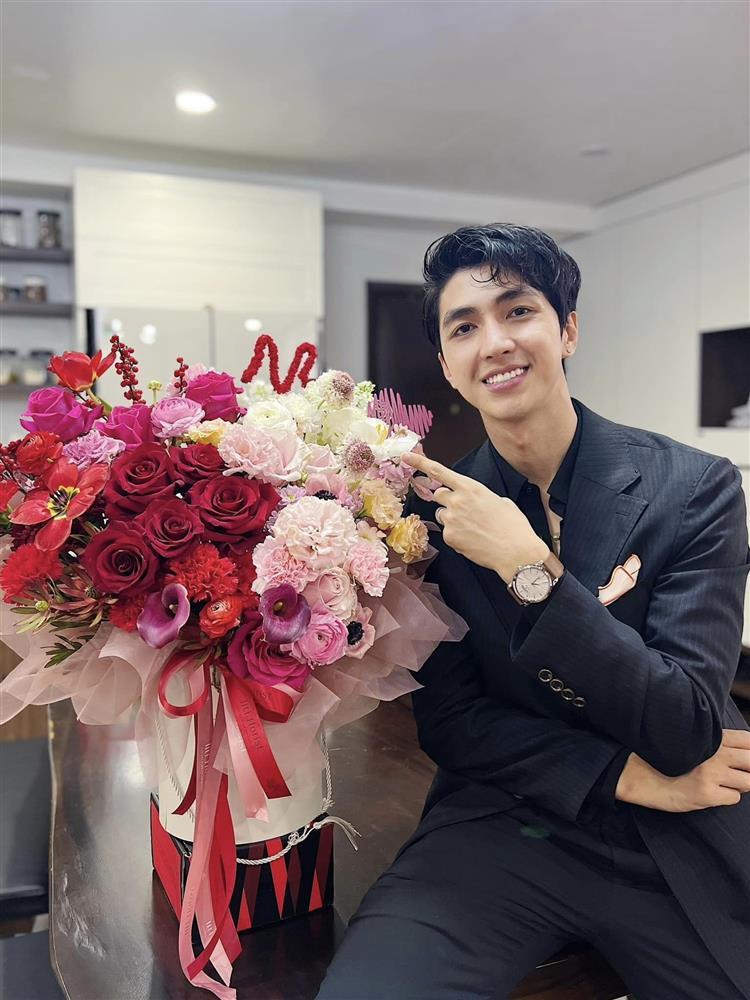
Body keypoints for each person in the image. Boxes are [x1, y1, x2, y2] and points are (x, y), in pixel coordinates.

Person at [316, 224, 750, 1000]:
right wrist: (617, 773)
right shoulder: (422, 522)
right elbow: (453, 723)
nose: (496, 343)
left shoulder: (695, 489)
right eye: (464, 327)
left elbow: (685, 725)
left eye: (518, 311)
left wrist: (529, 566)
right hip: (505, 823)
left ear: (567, 330)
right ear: (448, 366)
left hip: (680, 832)